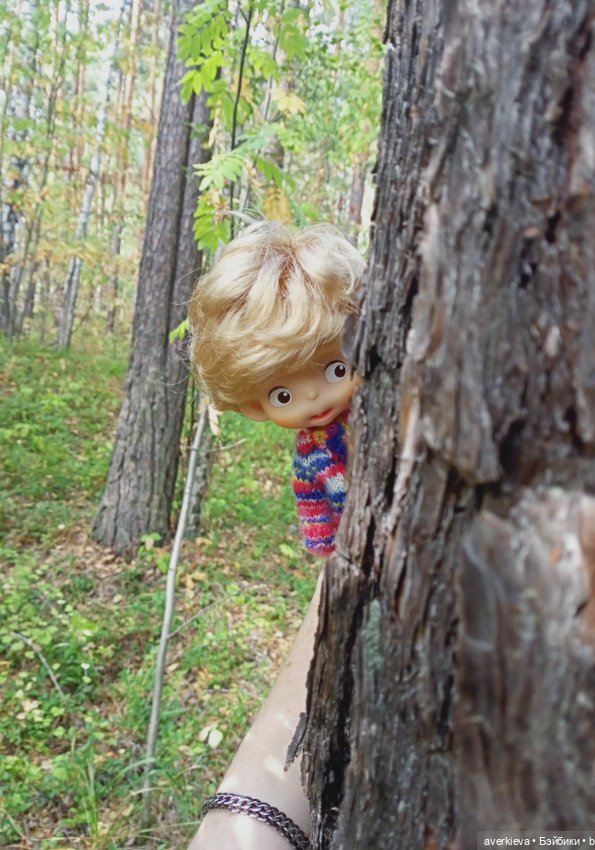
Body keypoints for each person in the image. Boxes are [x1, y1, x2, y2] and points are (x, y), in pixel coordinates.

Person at [186, 221, 364, 848]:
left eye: (335, 365)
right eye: (285, 391)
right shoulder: (312, 452)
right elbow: (315, 507)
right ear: (258, 405)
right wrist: (330, 553)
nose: (316, 397)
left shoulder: (373, 416)